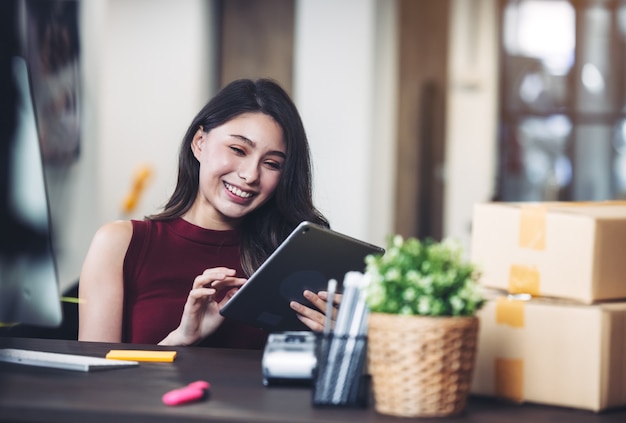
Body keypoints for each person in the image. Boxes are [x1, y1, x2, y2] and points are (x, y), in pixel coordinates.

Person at [78, 78, 336, 349]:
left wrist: (340, 342)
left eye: (271, 164)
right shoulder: (120, 243)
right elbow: (97, 385)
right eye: (238, 150)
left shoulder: (293, 257)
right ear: (200, 142)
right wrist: (181, 338)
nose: (250, 175)